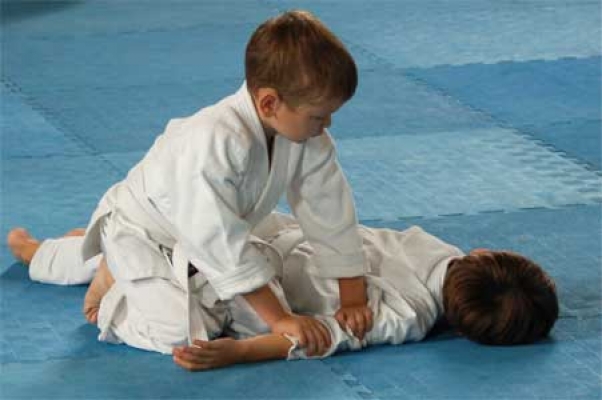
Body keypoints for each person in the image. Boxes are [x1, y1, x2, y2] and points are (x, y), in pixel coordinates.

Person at [7, 10, 374, 356]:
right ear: (269, 104)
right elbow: (218, 240)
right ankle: (98, 283)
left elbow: (329, 210)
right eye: (318, 116)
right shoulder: (213, 143)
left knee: (256, 321)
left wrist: (353, 298)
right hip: (141, 231)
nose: (326, 125)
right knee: (181, 332)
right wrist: (280, 319)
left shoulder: (305, 136)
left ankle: (98, 257)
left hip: (197, 240)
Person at [7, 212, 559, 372]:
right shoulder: (407, 315)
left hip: (262, 230)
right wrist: (239, 352)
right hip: (250, 279)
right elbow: (325, 336)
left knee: (171, 237)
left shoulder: (441, 250)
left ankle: (75, 247)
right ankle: (108, 262)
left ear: (483, 254)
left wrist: (243, 350)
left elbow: (326, 332)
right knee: (153, 320)